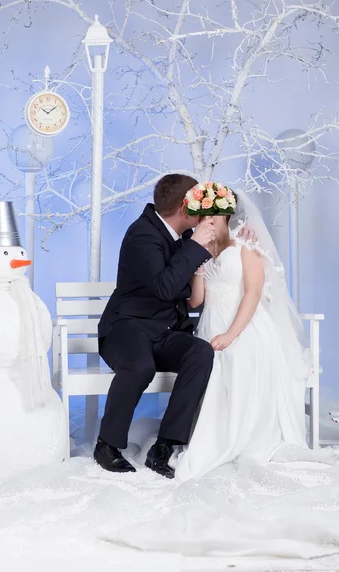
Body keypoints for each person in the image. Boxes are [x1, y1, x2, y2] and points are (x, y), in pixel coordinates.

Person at [173, 187, 310, 482]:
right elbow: (196, 301)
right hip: (212, 321)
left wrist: (231, 334)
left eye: (210, 216)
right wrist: (197, 268)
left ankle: (243, 436)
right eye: (200, 217)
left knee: (237, 358)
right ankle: (212, 434)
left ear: (224, 215)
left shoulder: (246, 244)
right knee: (208, 363)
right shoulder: (201, 249)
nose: (204, 222)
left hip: (244, 323)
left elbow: (254, 292)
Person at [94, 174, 216, 478]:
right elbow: (164, 286)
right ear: (184, 210)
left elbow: (188, 291)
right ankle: (106, 444)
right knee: (140, 366)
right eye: (198, 204)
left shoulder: (185, 239)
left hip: (163, 332)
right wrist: (196, 246)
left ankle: (164, 446)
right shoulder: (141, 236)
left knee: (199, 353)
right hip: (126, 329)